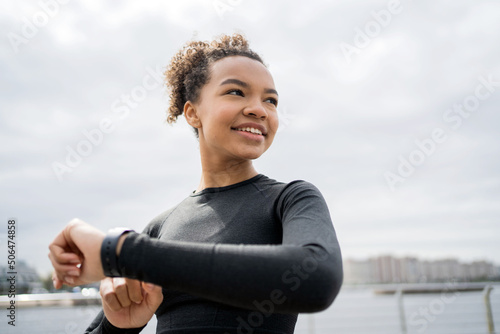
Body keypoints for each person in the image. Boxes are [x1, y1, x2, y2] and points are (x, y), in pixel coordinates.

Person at [48, 33, 343, 334]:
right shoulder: (158, 229)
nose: (260, 109)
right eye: (236, 92)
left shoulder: (291, 199)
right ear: (192, 113)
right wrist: (118, 326)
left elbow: (316, 278)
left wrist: (119, 252)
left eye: (271, 100)